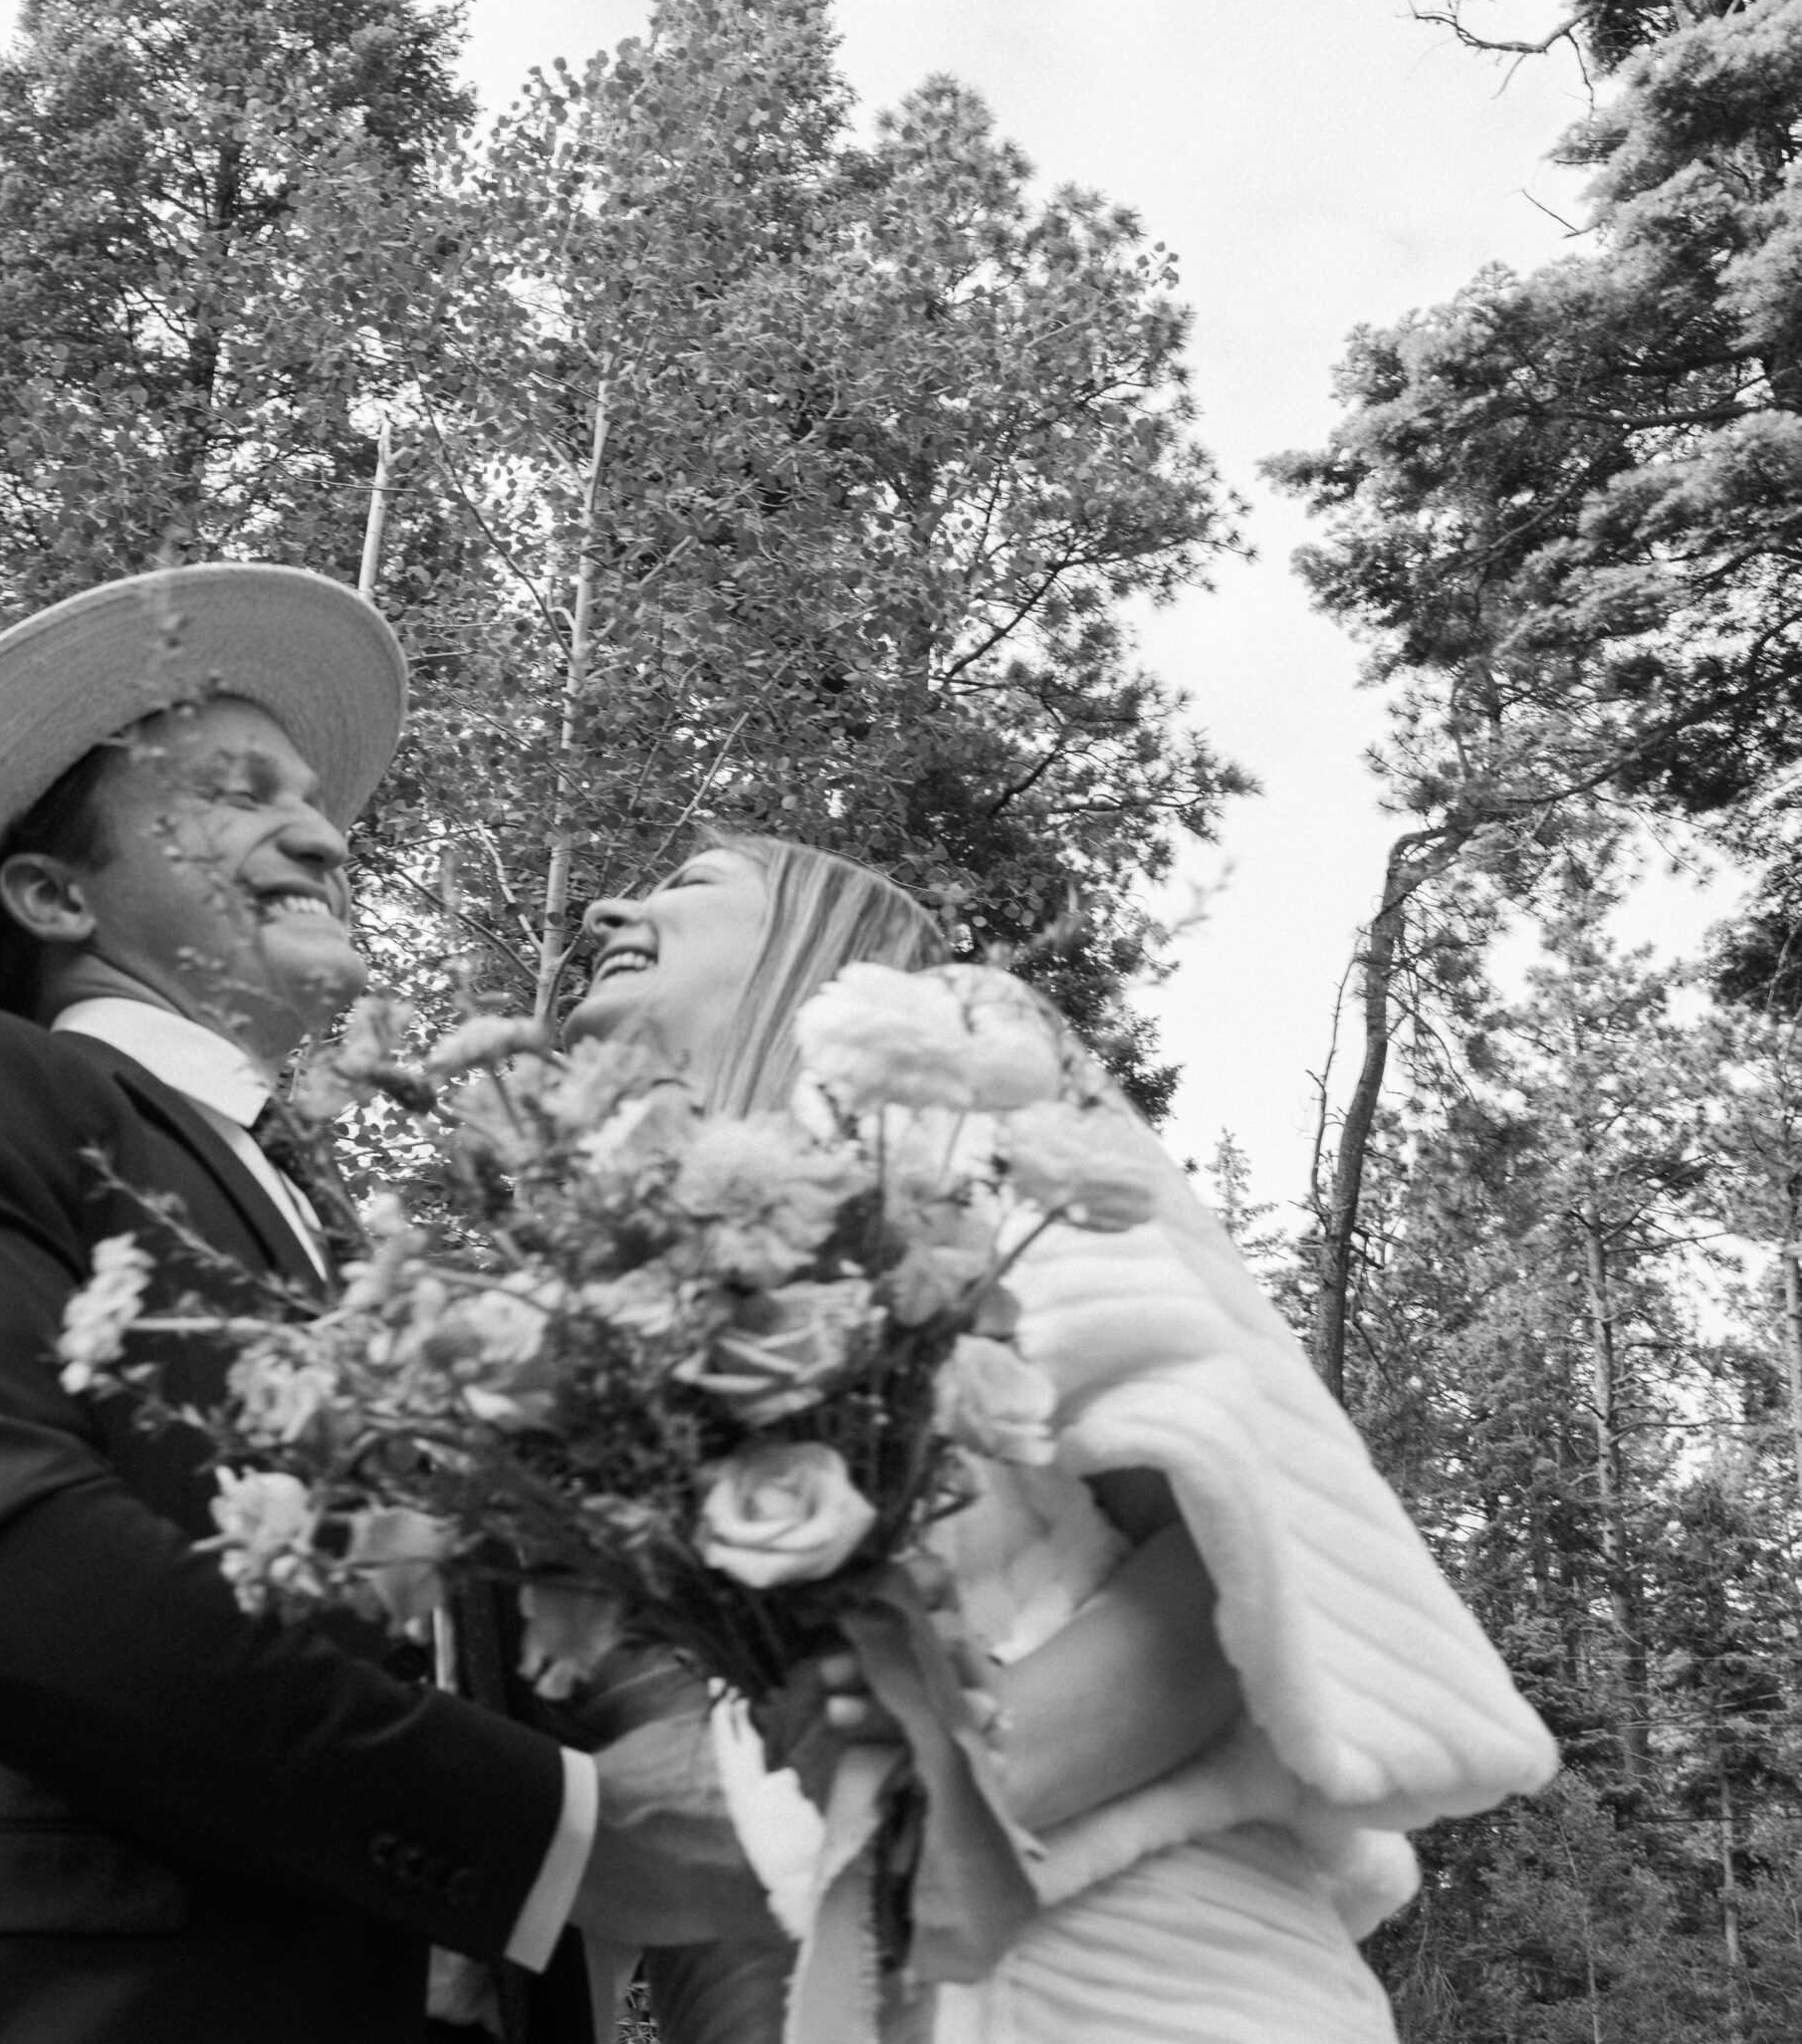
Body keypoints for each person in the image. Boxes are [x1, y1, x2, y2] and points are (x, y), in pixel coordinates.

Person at [0, 566, 752, 2044]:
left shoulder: (361, 1251)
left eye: (309, 794)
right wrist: (553, 1832)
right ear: (53, 895)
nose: (325, 834)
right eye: (236, 794)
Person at [563, 834, 1560, 2044]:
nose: (612, 904)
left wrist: (806, 1821)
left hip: (1130, 1988)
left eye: (690, 883)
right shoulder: (642, 1305)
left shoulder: (941, 1074)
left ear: (820, 944)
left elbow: (1220, 1596)